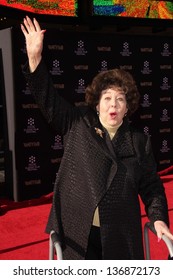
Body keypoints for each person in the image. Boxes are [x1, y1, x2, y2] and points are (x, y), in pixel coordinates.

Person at [21, 16, 173, 260]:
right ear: (97, 103)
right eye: (107, 98)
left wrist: (158, 219)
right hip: (78, 231)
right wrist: (35, 58)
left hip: (120, 234)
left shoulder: (139, 141)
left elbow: (152, 188)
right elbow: (48, 100)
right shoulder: (78, 123)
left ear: (128, 107)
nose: (113, 104)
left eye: (120, 99)